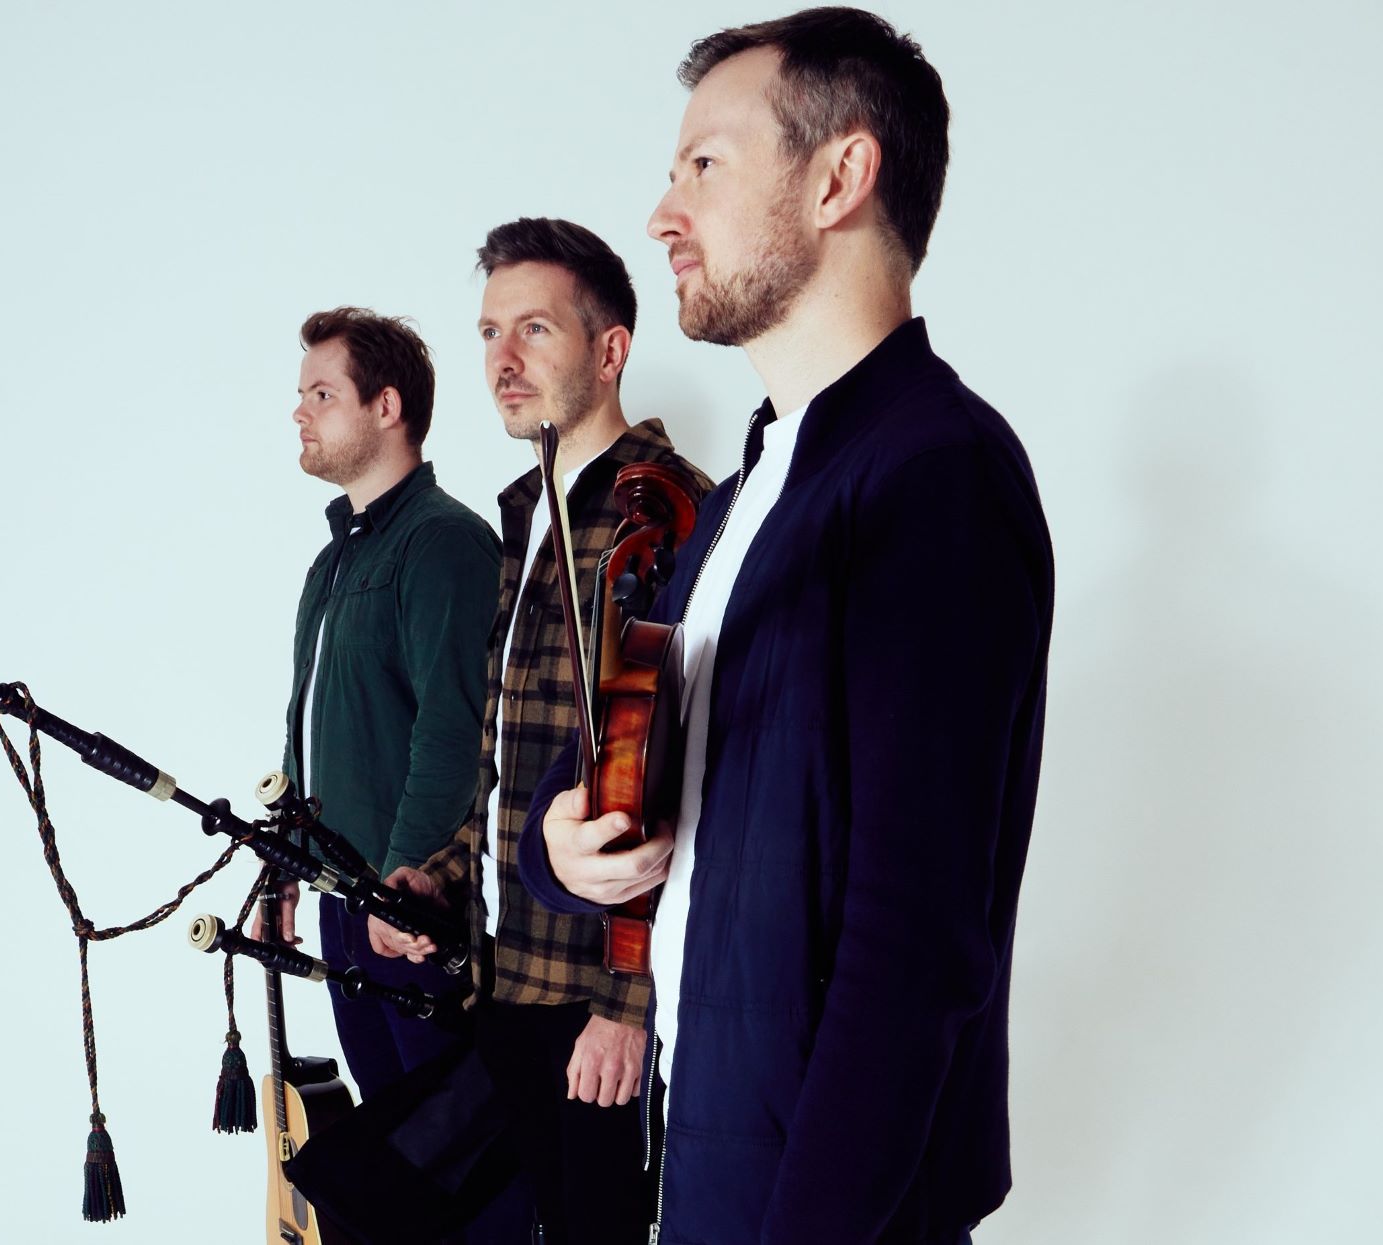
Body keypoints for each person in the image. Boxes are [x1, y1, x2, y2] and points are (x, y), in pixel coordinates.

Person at [517, 10, 1055, 1245]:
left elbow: (915, 946)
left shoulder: (936, 473)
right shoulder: (742, 495)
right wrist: (563, 839)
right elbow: (602, 770)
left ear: (838, 178)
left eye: (703, 165)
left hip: (821, 1203)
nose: (661, 213)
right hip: (702, 1150)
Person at [370, 218, 711, 1244]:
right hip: (511, 972)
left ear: (608, 352)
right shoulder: (528, 514)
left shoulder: (671, 513)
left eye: (533, 330)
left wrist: (627, 999)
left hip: (593, 994)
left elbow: (672, 779)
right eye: (487, 333)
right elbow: (508, 750)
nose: (502, 362)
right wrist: (441, 869)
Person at [262, 306, 500, 1103]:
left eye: (322, 394)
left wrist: (405, 887)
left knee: (457, 1155)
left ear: (386, 407)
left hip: (412, 912)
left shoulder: (444, 544)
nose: (300, 411)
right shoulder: (332, 562)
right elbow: (307, 729)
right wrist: (283, 869)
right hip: (343, 904)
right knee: (394, 1149)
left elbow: (453, 733)